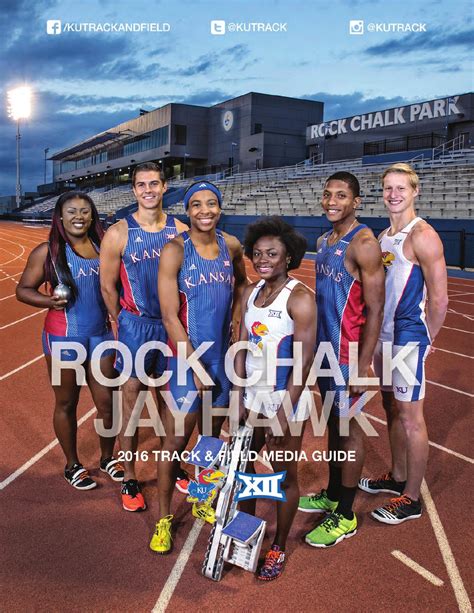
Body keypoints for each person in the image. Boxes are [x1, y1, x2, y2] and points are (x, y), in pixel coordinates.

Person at [150, 180, 247, 554]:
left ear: (219, 208)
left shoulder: (231, 246)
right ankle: (162, 520)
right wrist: (194, 366)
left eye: (211, 204)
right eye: (196, 205)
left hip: (221, 359)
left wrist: (238, 322)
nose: (204, 211)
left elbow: (242, 285)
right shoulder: (176, 250)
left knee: (209, 439)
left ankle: (202, 499)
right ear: (187, 211)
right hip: (185, 361)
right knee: (174, 442)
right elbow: (170, 316)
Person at [359, 163, 448, 524]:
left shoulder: (422, 235)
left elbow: (440, 300)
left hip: (407, 337)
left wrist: (426, 341)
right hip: (382, 337)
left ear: (415, 191)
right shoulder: (383, 236)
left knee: (411, 417)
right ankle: (397, 478)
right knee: (390, 405)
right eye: (388, 188)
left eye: (401, 188)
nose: (393, 194)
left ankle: (411, 498)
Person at [299, 172, 385, 547]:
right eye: (328, 194)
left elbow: (376, 309)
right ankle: (334, 492)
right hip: (324, 350)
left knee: (349, 430)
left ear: (356, 202)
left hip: (347, 354)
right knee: (334, 426)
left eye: (341, 196)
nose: (332, 201)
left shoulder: (364, 243)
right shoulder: (323, 241)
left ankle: (346, 514)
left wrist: (363, 366)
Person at [16, 191, 123, 489]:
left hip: (101, 336)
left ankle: (106, 458)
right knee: (67, 402)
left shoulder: (105, 247)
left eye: (85, 211)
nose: (79, 216)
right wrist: (48, 300)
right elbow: (23, 290)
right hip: (63, 338)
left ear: (92, 216)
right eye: (72, 211)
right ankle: (72, 464)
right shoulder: (47, 252)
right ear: (60, 216)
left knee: (107, 403)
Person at [100, 162, 188, 512]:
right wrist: (119, 318)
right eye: (141, 185)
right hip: (136, 326)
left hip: (171, 326)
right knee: (132, 405)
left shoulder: (181, 229)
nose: (148, 190)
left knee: (171, 402)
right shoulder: (118, 233)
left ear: (165, 187)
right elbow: (107, 284)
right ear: (134, 190)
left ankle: (173, 464)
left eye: (154, 183)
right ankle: (131, 476)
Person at [235, 217, 316, 581]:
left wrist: (283, 414)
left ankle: (279, 545)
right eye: (257, 253)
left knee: (284, 478)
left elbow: (303, 363)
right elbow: (240, 346)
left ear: (288, 258)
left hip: (285, 400)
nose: (263, 259)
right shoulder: (249, 293)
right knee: (245, 469)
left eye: (272, 253)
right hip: (251, 396)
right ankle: (245, 534)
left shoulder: (299, 299)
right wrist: (237, 396)